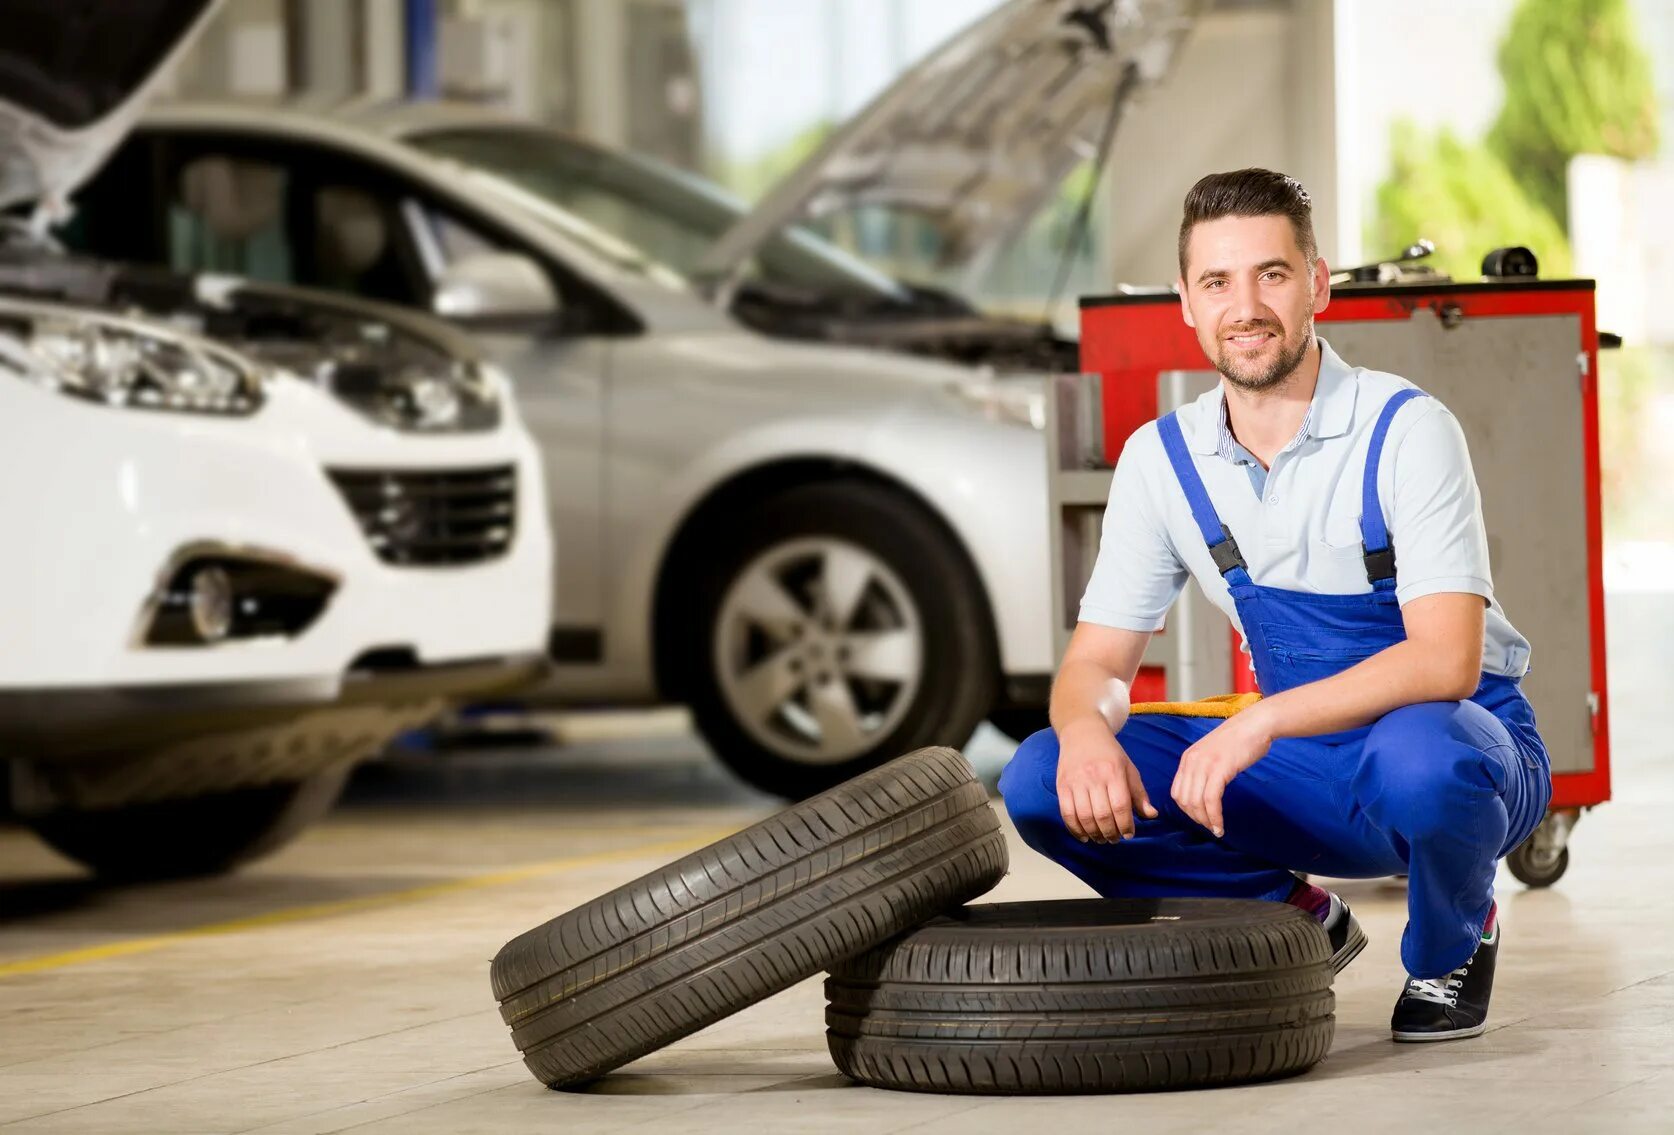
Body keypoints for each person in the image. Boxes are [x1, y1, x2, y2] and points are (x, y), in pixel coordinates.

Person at [1000, 168, 1552, 1042]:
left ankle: (1454, 939)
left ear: (1317, 285)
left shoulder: (1404, 429)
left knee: (1423, 757)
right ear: (1186, 301)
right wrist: (1085, 734)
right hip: (1305, 763)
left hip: (1456, 743)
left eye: (1272, 274)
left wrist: (1256, 724)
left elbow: (1445, 660)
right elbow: (1097, 666)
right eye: (1217, 281)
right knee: (1039, 776)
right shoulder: (1163, 459)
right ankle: (1293, 917)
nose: (1245, 305)